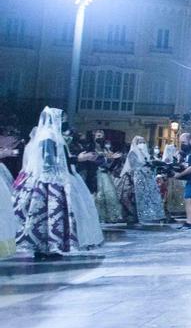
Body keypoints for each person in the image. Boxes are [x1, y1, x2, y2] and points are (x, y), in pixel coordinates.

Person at [12, 107, 104, 260]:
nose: (64, 122)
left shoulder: (53, 136)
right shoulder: (48, 136)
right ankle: (47, 246)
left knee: (51, 215)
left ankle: (49, 247)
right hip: (50, 180)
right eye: (62, 119)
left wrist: (77, 159)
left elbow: (61, 159)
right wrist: (76, 161)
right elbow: (50, 161)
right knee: (48, 214)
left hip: (55, 177)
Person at [117, 136, 166, 225]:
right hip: (136, 178)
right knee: (135, 198)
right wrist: (145, 166)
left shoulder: (145, 153)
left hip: (147, 178)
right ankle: (135, 216)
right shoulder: (132, 152)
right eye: (140, 142)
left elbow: (148, 162)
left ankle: (149, 215)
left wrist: (151, 165)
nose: (142, 144)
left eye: (143, 142)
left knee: (148, 197)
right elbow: (134, 166)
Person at [93, 139, 124, 224]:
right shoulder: (94, 150)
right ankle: (100, 216)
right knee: (100, 195)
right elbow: (97, 162)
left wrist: (114, 159)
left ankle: (111, 216)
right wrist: (109, 158)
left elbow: (110, 165)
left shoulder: (107, 151)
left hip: (106, 173)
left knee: (111, 194)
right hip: (97, 174)